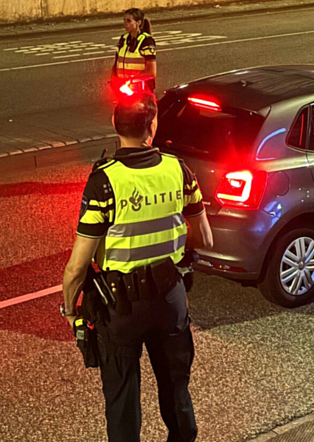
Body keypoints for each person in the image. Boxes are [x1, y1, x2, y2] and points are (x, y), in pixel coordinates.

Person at [62, 91, 214, 442]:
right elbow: (204, 237)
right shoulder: (179, 170)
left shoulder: (105, 181)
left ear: (115, 125)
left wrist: (69, 310)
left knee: (122, 400)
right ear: (153, 126)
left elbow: (77, 266)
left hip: (121, 308)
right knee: (176, 390)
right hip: (169, 298)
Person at [112, 8, 157, 94]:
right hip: (124, 89)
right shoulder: (124, 39)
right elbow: (117, 62)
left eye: (129, 21)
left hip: (141, 91)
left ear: (138, 23)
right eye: (124, 21)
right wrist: (114, 80)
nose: (125, 24)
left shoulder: (146, 41)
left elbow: (152, 72)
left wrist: (131, 80)